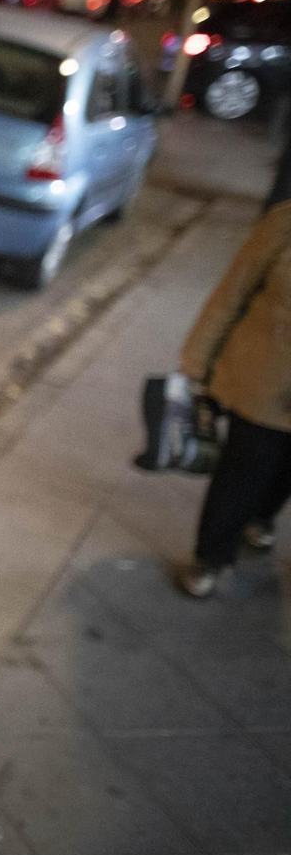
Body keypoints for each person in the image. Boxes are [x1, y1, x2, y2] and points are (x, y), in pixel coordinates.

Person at [175, 170, 291, 597]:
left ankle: (262, 519)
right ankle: (211, 556)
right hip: (262, 380)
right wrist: (196, 360)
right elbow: (232, 294)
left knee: (283, 474)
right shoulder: (284, 222)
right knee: (241, 472)